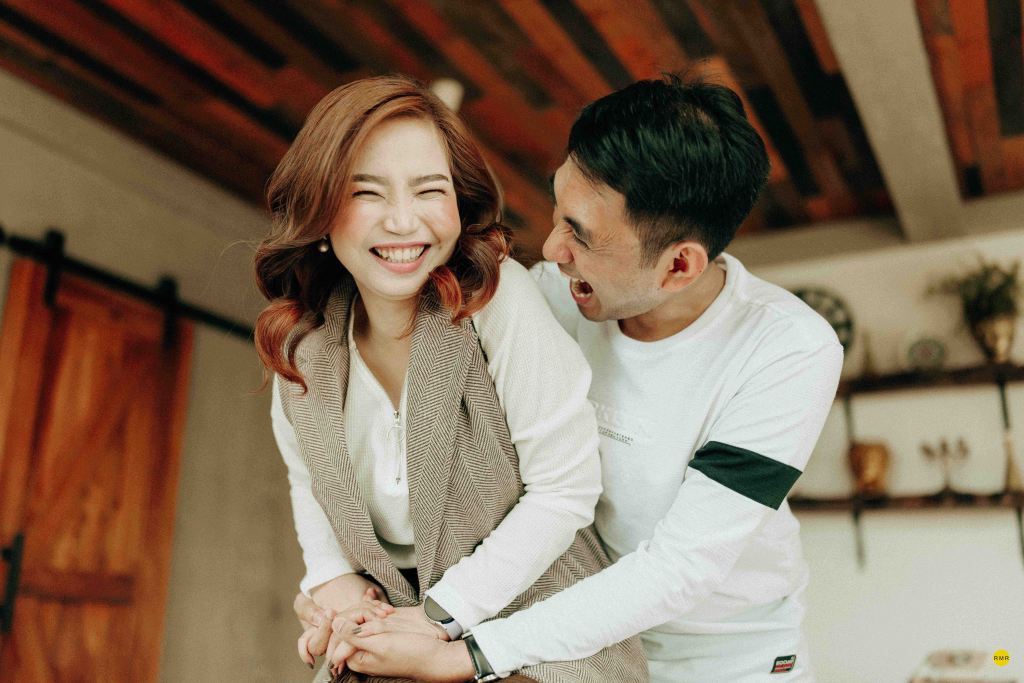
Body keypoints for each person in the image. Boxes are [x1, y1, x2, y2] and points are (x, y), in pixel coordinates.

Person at [325, 75, 844, 682]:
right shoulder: (548, 296)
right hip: (573, 647)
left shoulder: (787, 349)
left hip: (728, 657)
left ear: (679, 265)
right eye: (559, 211)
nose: (551, 249)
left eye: (582, 234)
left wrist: (467, 653)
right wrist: (339, 584)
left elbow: (680, 567)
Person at [253, 75, 646, 682]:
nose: (402, 221)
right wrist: (334, 585)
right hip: (390, 633)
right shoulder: (299, 346)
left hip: (540, 635)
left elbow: (564, 489)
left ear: (460, 203)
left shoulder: (495, 296)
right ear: (320, 208)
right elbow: (309, 485)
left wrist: (438, 617)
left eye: (429, 190)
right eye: (366, 192)